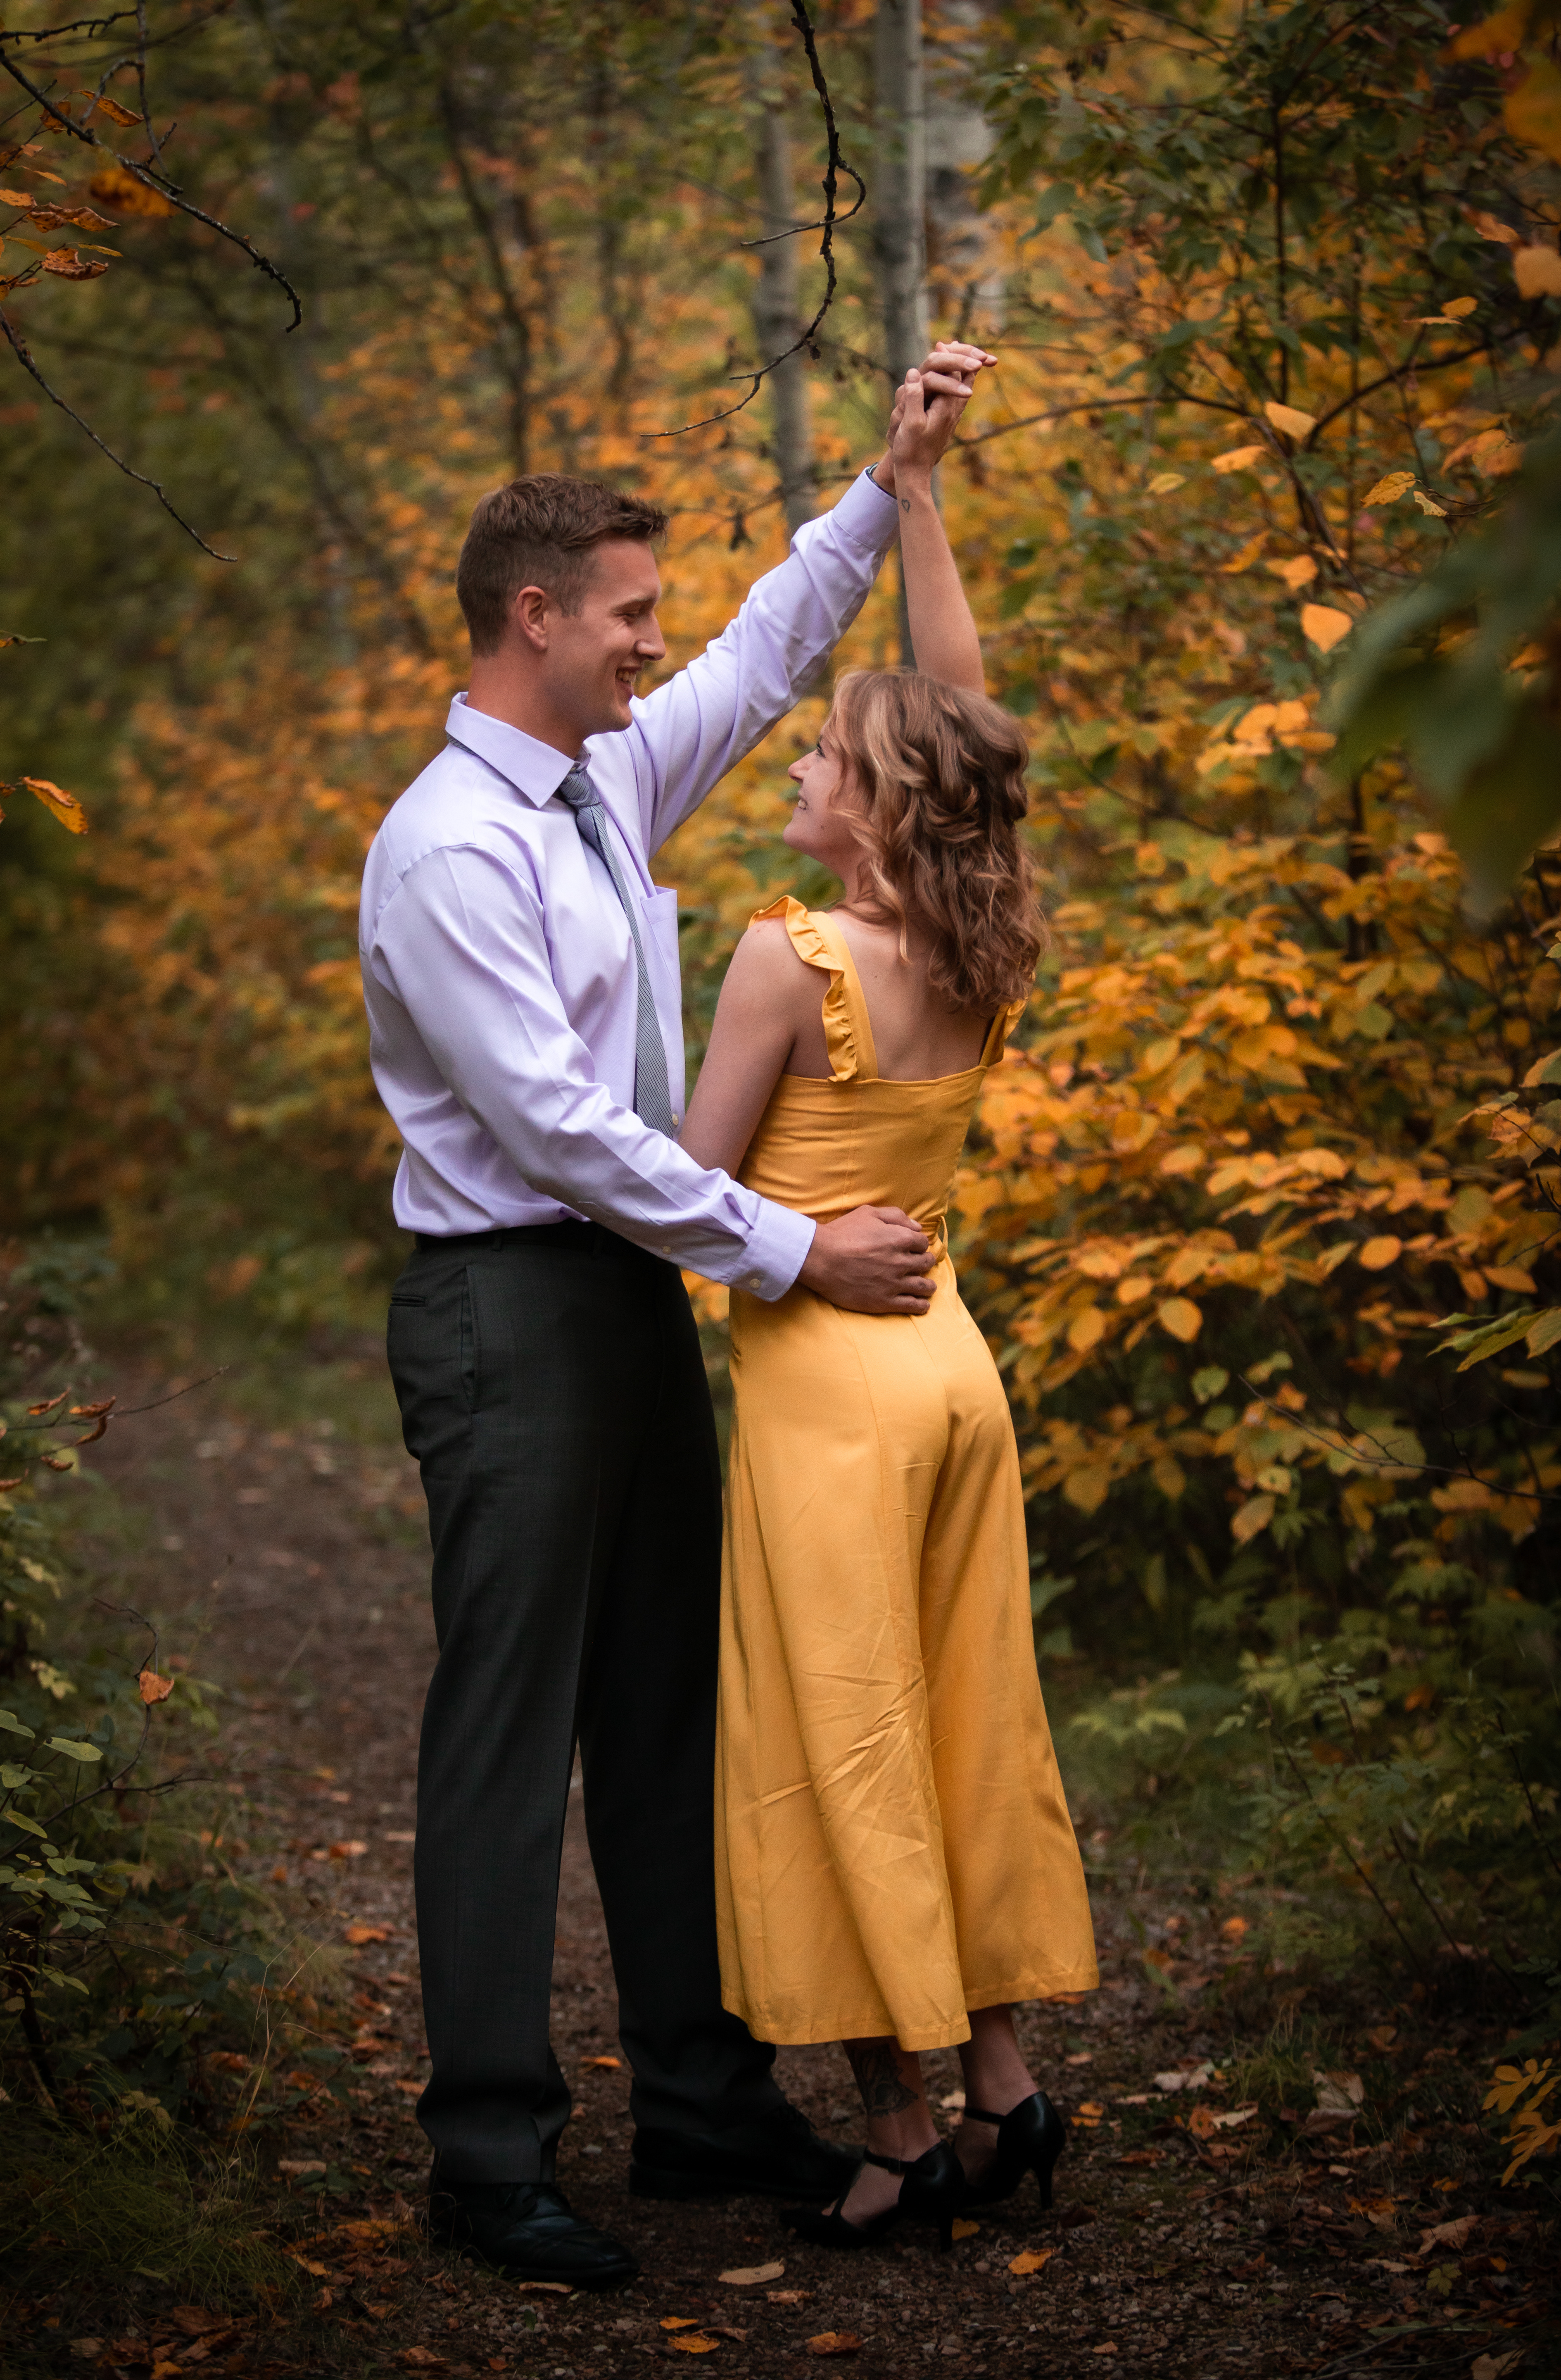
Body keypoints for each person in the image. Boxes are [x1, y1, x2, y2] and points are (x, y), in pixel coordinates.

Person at [358, 343, 994, 2289]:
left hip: (631, 1304)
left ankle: (703, 2099)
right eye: (625, 612)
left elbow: (770, 648)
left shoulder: (604, 773)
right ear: (534, 618)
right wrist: (787, 1253)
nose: (654, 642)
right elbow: (554, 1131)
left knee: (664, 1710)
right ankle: (491, 2152)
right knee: (508, 1724)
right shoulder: (444, 847)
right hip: (507, 1311)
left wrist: (891, 487)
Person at [678, 367, 1099, 2251]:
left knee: (838, 1737)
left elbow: (685, 1199)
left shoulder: (789, 960)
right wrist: (914, 501)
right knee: (954, 1720)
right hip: (955, 1369)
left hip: (830, 1390)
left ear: (872, 807)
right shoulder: (975, 939)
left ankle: (900, 2120)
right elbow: (975, 729)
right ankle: (1008, 2086)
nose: (795, 774)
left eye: (818, 763)